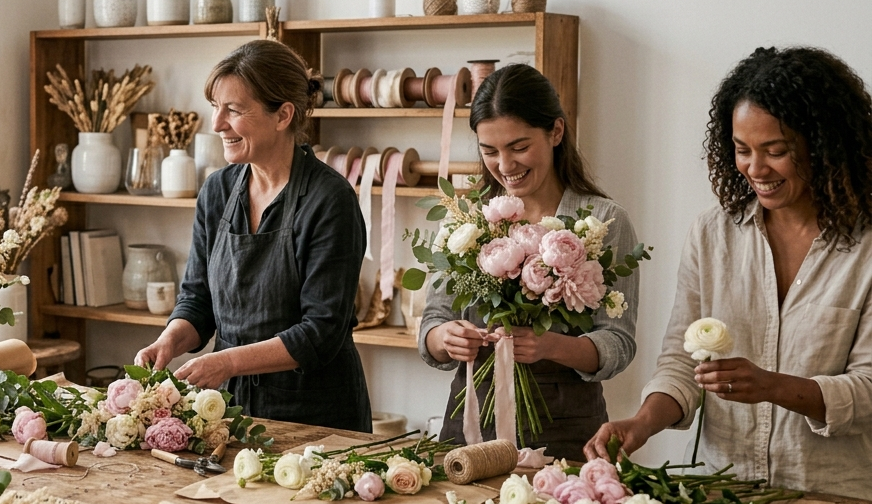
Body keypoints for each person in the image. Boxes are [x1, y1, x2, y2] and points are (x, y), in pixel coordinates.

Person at [584, 47, 872, 504]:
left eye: (776, 150)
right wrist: (641, 424)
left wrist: (774, 387)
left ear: (826, 144)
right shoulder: (714, 235)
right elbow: (679, 361)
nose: (755, 168)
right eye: (742, 150)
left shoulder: (866, 246)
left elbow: (869, 391)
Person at [135, 40, 372, 432]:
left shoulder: (330, 200)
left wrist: (226, 362)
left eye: (234, 110)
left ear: (283, 115)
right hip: (227, 410)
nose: (216, 123)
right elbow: (198, 301)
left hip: (315, 418)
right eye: (215, 106)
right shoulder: (217, 191)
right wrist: (169, 341)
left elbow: (321, 332)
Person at [419, 63, 640, 460]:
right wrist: (445, 338)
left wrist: (550, 345)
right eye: (490, 151)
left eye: (519, 147)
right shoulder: (466, 218)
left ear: (556, 132)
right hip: (470, 425)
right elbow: (433, 321)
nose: (505, 166)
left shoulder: (604, 221)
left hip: (567, 430)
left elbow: (618, 343)